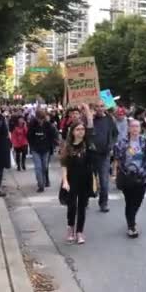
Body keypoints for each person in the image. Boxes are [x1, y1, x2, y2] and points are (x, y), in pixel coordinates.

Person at [113, 119, 146, 238]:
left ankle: (131, 219)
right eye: (132, 126)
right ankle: (131, 226)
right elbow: (117, 159)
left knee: (137, 201)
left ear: (140, 129)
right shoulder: (121, 143)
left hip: (142, 176)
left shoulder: (144, 142)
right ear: (129, 128)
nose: (135, 129)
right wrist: (114, 174)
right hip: (127, 176)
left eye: (137, 127)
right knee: (129, 201)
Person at [60, 105, 95, 245]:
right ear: (73, 132)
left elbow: (91, 125)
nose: (81, 131)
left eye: (82, 129)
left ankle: (80, 232)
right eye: (78, 129)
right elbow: (64, 165)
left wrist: (86, 110)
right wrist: (65, 181)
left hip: (85, 179)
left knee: (82, 206)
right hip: (71, 179)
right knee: (72, 206)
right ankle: (70, 229)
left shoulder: (88, 143)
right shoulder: (68, 147)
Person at [91, 102, 118, 213]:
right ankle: (85, 199)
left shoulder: (109, 119)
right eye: (97, 106)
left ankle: (103, 203)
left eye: (101, 106)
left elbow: (115, 134)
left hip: (104, 155)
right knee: (88, 180)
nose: (99, 108)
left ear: (105, 107)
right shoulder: (90, 119)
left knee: (104, 181)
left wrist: (111, 145)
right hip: (91, 155)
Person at [28, 109, 57, 192]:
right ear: (36, 118)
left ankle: (44, 181)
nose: (40, 120)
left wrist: (51, 145)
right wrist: (32, 145)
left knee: (44, 166)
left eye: (42, 119)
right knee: (38, 167)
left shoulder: (48, 125)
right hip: (35, 149)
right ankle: (40, 184)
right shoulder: (32, 125)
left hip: (46, 149)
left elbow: (53, 136)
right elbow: (29, 136)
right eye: (39, 118)